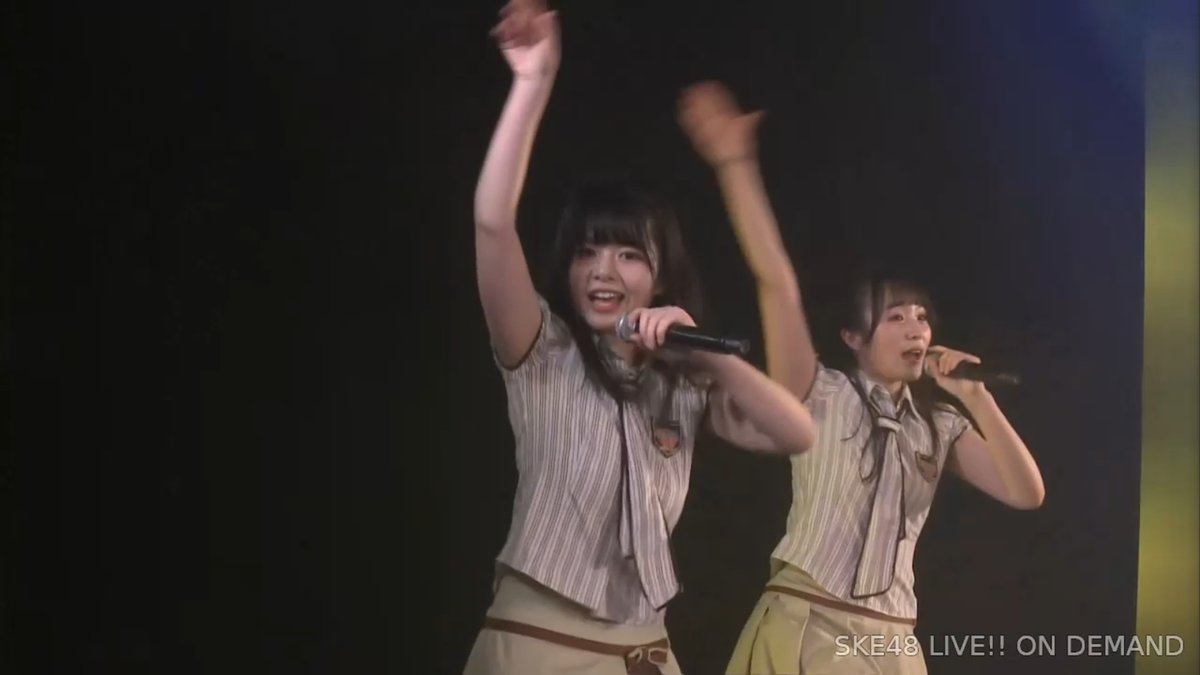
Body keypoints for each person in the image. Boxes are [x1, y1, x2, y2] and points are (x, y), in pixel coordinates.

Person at [463, 6, 818, 675]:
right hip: (536, 643)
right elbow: (491, 224)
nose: (603, 270)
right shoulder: (541, 352)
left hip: (646, 651)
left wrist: (706, 356)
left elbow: (797, 431)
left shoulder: (682, 382)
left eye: (628, 254)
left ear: (659, 278)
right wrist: (533, 83)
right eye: (587, 252)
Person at [676, 81, 1046, 675]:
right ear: (853, 337)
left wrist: (975, 397)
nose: (915, 328)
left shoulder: (937, 424)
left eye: (921, 317)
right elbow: (776, 280)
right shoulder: (819, 391)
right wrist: (735, 164)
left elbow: (1026, 493)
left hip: (892, 638)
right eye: (895, 317)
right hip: (809, 618)